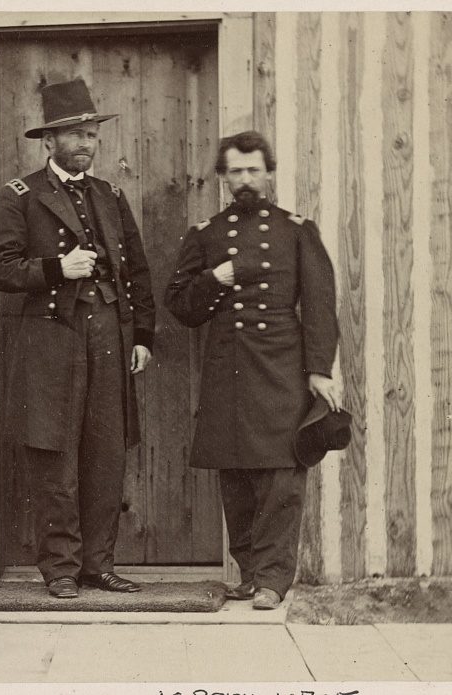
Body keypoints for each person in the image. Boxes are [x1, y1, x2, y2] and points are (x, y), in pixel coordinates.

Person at [0, 78, 155, 599]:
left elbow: (137, 273)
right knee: (54, 453)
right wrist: (59, 267)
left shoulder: (110, 195)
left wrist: (142, 335)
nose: (85, 143)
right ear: (48, 142)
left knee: (106, 451)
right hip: (51, 340)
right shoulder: (20, 195)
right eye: (73, 135)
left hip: (108, 334)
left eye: (90, 134)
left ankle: (96, 565)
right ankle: (60, 569)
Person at [164, 130, 341, 609]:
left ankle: (273, 580)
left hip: (282, 364)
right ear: (222, 178)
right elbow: (180, 305)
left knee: (283, 474)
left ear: (268, 173)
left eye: (253, 169)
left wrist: (319, 369)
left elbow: (320, 305)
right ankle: (248, 573)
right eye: (235, 171)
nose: (245, 179)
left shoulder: (297, 230)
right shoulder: (206, 234)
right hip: (228, 366)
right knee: (236, 474)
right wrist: (215, 277)